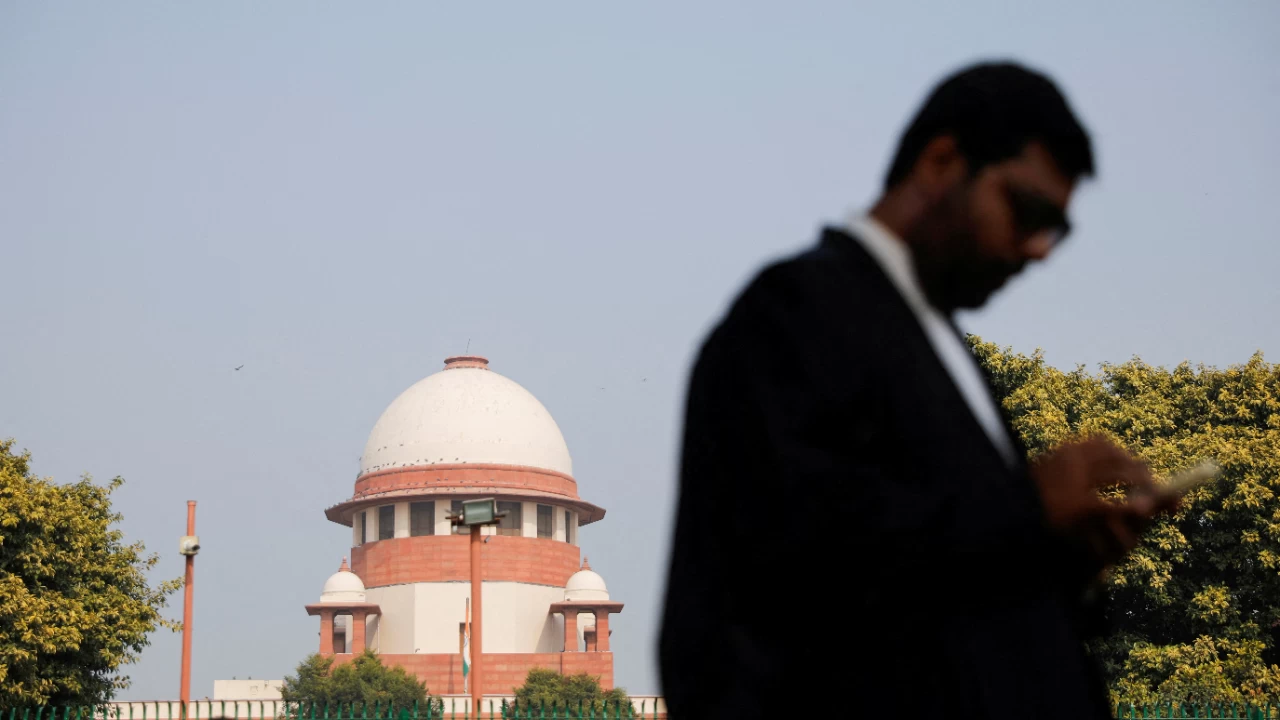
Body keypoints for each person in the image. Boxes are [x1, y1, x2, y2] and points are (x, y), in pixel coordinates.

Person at [657, 61, 1176, 720]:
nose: (1036, 249)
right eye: (1027, 211)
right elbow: (784, 576)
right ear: (940, 162)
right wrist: (1024, 508)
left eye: (1056, 230)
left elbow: (935, 578)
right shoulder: (796, 314)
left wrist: (1057, 557)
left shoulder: (937, 346)